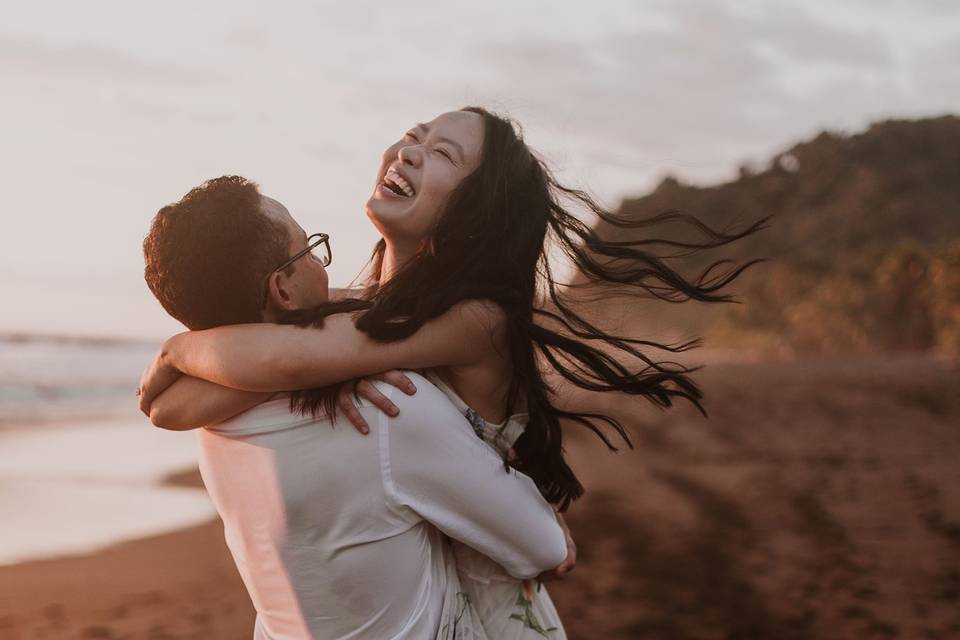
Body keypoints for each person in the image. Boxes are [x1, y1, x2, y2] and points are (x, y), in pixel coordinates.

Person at [141, 107, 764, 637]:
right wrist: (301, 373)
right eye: (414, 136)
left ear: (472, 209)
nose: (410, 152)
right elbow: (198, 398)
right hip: (443, 542)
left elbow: (273, 360)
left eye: (441, 154)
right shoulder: (363, 317)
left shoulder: (474, 317)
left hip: (485, 580)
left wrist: (177, 349)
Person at [140, 176, 570, 639]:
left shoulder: (211, 420)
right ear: (282, 289)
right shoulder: (386, 409)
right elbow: (545, 550)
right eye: (309, 249)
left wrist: (176, 351)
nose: (324, 267)